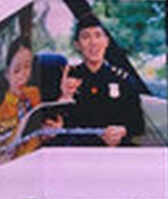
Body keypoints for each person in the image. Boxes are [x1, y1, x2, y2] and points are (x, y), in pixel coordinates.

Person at [58, 14, 145, 148]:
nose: (93, 42)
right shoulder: (68, 79)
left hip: (115, 150)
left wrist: (122, 131)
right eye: (86, 37)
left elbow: (138, 125)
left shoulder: (122, 79)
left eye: (98, 35)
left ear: (106, 41)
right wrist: (63, 98)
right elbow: (56, 125)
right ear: (77, 45)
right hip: (78, 150)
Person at [0, 37, 62, 169]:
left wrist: (50, 130)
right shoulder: (1, 114)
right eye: (16, 70)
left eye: (27, 67)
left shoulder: (34, 93)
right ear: (7, 74)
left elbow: (39, 131)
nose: (23, 76)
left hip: (42, 159)